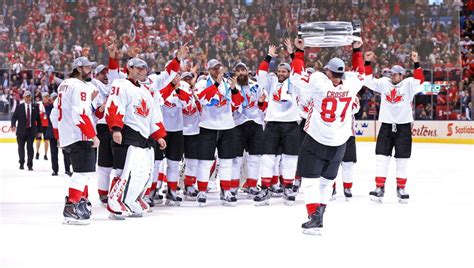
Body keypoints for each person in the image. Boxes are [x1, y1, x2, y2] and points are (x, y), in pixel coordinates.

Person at [290, 38, 365, 235]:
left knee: (309, 180)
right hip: (340, 141)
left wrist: (299, 52)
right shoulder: (351, 85)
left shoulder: (319, 82)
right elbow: (361, 73)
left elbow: (296, 76)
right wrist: (357, 50)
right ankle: (320, 214)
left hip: (316, 138)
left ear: (329, 72)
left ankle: (314, 217)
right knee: (326, 182)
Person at [105, 58, 167, 219]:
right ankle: (114, 201)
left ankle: (131, 200)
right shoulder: (120, 84)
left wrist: (159, 135)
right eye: (138, 68)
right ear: (129, 68)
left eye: (144, 68)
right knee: (123, 171)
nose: (141, 71)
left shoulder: (146, 91)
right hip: (127, 133)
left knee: (140, 172)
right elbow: (114, 105)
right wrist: (116, 129)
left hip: (143, 136)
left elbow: (153, 115)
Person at [364, 51, 424, 203]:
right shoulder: (384, 83)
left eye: (396, 74)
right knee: (381, 158)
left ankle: (401, 188)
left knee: (402, 159)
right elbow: (368, 80)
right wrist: (367, 62)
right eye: (392, 74)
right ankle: (379, 188)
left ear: (402, 75)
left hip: (403, 127)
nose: (393, 76)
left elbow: (420, 81)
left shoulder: (409, 84)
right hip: (386, 125)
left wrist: (416, 62)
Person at [253, 45, 301, 206]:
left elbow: (299, 71)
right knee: (267, 159)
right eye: (279, 71)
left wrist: (293, 54)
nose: (281, 73)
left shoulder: (295, 83)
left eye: (284, 71)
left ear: (289, 73)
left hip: (291, 125)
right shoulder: (271, 82)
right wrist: (268, 57)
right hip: (272, 124)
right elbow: (260, 74)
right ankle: (265, 188)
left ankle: (288, 186)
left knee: (289, 159)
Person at [194, 59, 244, 206]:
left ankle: (226, 190)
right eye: (214, 68)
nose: (217, 71)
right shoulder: (202, 83)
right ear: (208, 70)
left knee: (227, 161)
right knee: (205, 161)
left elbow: (238, 102)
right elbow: (203, 98)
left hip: (227, 126)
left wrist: (234, 89)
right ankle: (202, 191)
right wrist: (216, 84)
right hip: (207, 126)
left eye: (219, 68)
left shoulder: (228, 84)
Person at [56, 56, 100, 225]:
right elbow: (79, 113)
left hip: (69, 135)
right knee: (82, 172)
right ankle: (71, 207)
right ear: (79, 69)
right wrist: (92, 135)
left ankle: (79, 202)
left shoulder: (64, 84)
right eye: (88, 68)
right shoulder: (80, 86)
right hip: (79, 135)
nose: (91, 71)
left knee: (83, 172)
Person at [230, 62, 266, 198]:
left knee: (255, 158)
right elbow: (231, 106)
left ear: (247, 71)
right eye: (238, 70)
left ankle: (251, 185)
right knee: (236, 158)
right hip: (237, 123)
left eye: (242, 70)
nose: (240, 73)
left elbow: (262, 106)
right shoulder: (231, 86)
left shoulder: (256, 86)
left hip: (255, 123)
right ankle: (233, 187)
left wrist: (261, 102)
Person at [11, 91, 41, 171]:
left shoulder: (35, 106)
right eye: (26, 97)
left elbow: (38, 120)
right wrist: (13, 125)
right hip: (21, 131)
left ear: (31, 97)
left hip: (31, 131)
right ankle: (21, 162)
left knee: (30, 148)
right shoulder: (19, 107)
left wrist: (40, 131)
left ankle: (30, 165)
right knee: (21, 148)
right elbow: (14, 117)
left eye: (29, 96)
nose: (28, 98)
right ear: (24, 98)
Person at [35, 92, 51, 161]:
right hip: (39, 124)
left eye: (47, 97)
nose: (46, 98)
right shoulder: (39, 104)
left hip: (47, 125)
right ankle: (37, 152)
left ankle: (45, 154)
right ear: (43, 97)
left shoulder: (51, 105)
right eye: (45, 97)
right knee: (38, 139)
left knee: (46, 140)